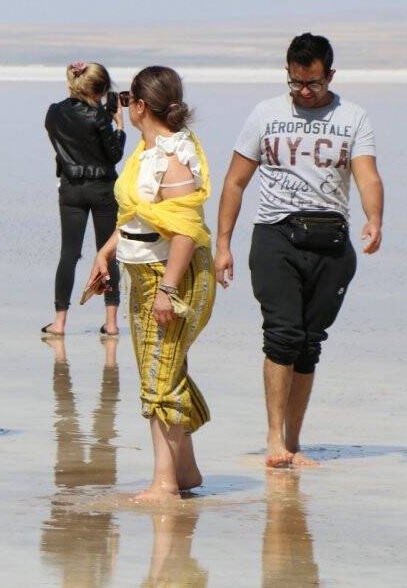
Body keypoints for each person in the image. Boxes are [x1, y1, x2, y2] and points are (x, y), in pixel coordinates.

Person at [214, 33, 384, 467]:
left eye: (313, 83)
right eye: (296, 83)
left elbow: (367, 175)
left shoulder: (353, 118)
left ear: (331, 75)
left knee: (309, 343)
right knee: (283, 335)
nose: (305, 92)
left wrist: (374, 218)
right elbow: (235, 181)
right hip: (276, 235)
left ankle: (293, 442)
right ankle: (274, 439)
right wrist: (223, 244)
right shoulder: (265, 114)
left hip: (331, 240)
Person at [86, 66, 215, 503]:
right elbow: (138, 217)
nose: (125, 106)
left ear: (140, 106)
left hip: (173, 277)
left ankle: (165, 483)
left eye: (127, 100)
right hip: (143, 275)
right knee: (160, 369)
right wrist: (106, 251)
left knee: (161, 377)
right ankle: (185, 471)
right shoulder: (146, 150)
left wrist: (168, 290)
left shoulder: (174, 157)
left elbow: (185, 232)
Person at [41, 62, 125, 338]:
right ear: (100, 91)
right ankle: (111, 322)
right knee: (107, 252)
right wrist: (119, 125)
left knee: (69, 254)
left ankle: (59, 322)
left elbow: (59, 142)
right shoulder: (100, 117)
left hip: (71, 188)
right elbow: (114, 155)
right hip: (102, 188)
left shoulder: (54, 112)